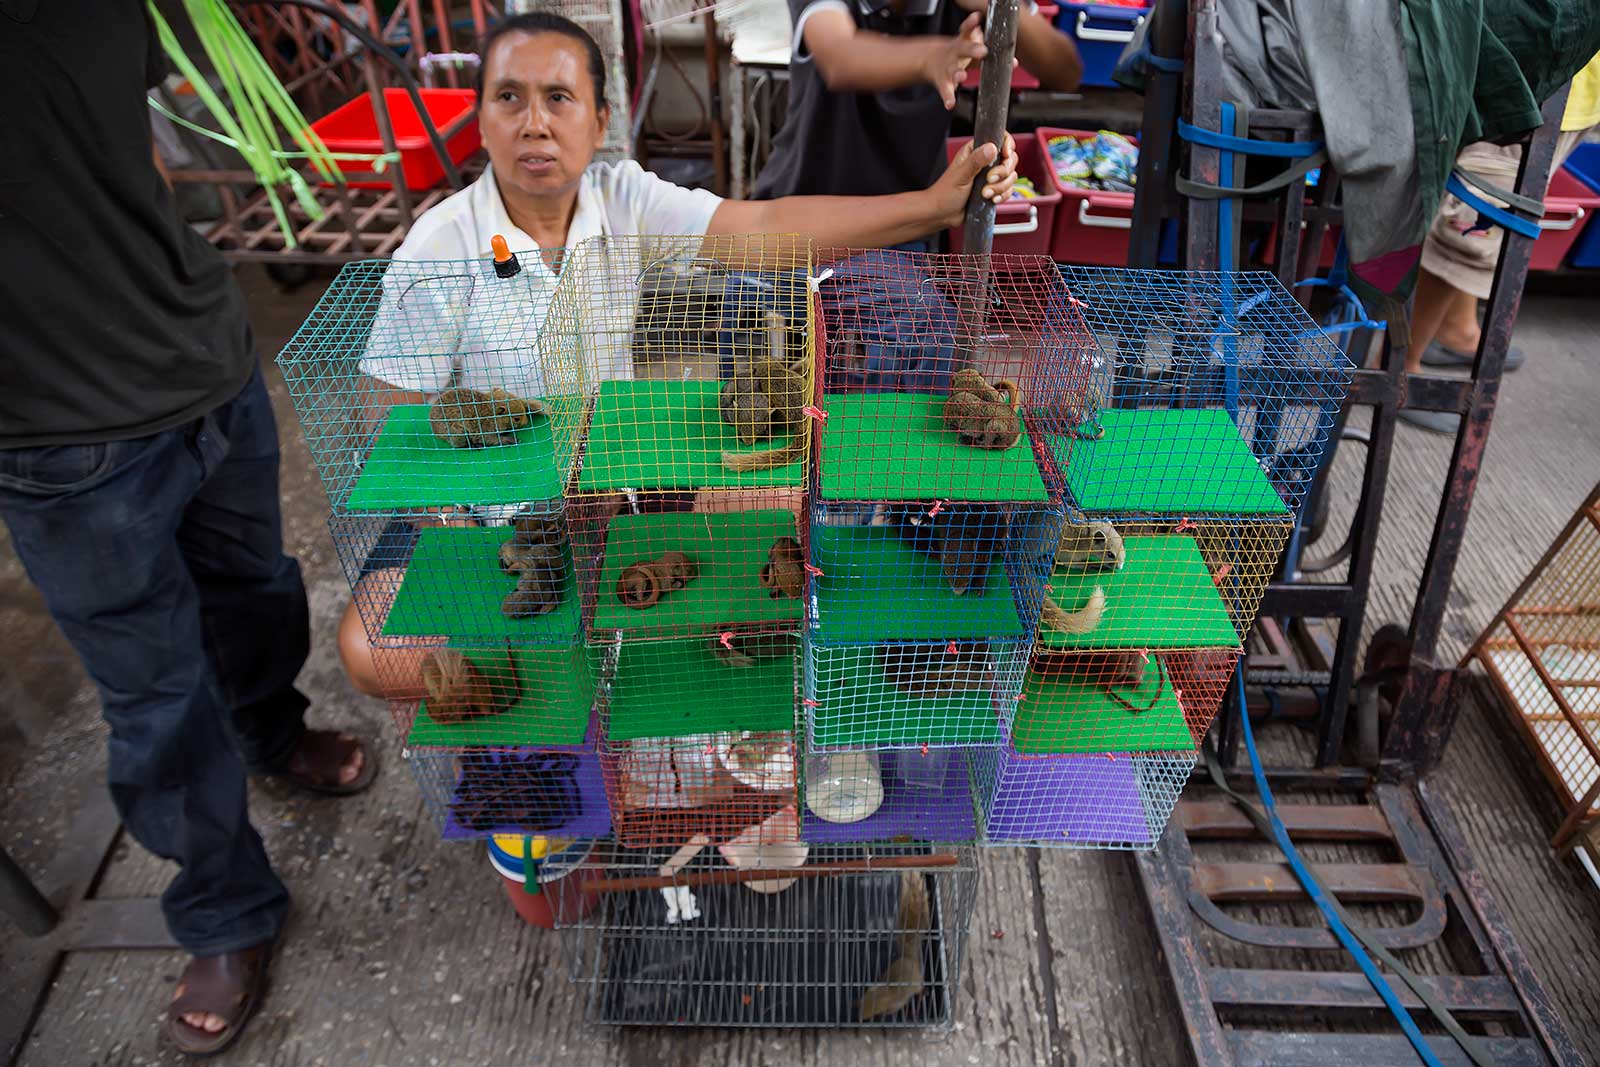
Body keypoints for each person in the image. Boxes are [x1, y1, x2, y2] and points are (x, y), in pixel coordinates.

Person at [336, 11, 1023, 697]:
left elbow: (763, 226)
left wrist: (934, 205)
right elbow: (395, 423)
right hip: (483, 507)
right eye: (508, 97)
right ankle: (522, 686)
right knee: (373, 649)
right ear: (480, 118)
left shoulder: (621, 198)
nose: (534, 122)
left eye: (559, 98)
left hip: (607, 476)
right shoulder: (439, 246)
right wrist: (466, 531)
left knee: (771, 520)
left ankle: (595, 654)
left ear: (599, 121)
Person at [0, 1, 378, 1056]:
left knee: (257, 582)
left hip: (205, 362)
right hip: (56, 428)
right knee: (156, 695)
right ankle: (227, 907)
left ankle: (268, 726)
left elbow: (128, 143)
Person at [1401, 54, 1600, 433]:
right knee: (1472, 227)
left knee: (1487, 215)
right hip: (1536, 78)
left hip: (1574, 86)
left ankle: (1455, 329)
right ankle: (1400, 367)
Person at [752, 0, 1081, 223]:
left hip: (908, 221)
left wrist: (1002, 7)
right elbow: (839, 57)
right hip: (801, 210)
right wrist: (936, 57)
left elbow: (1065, 73)